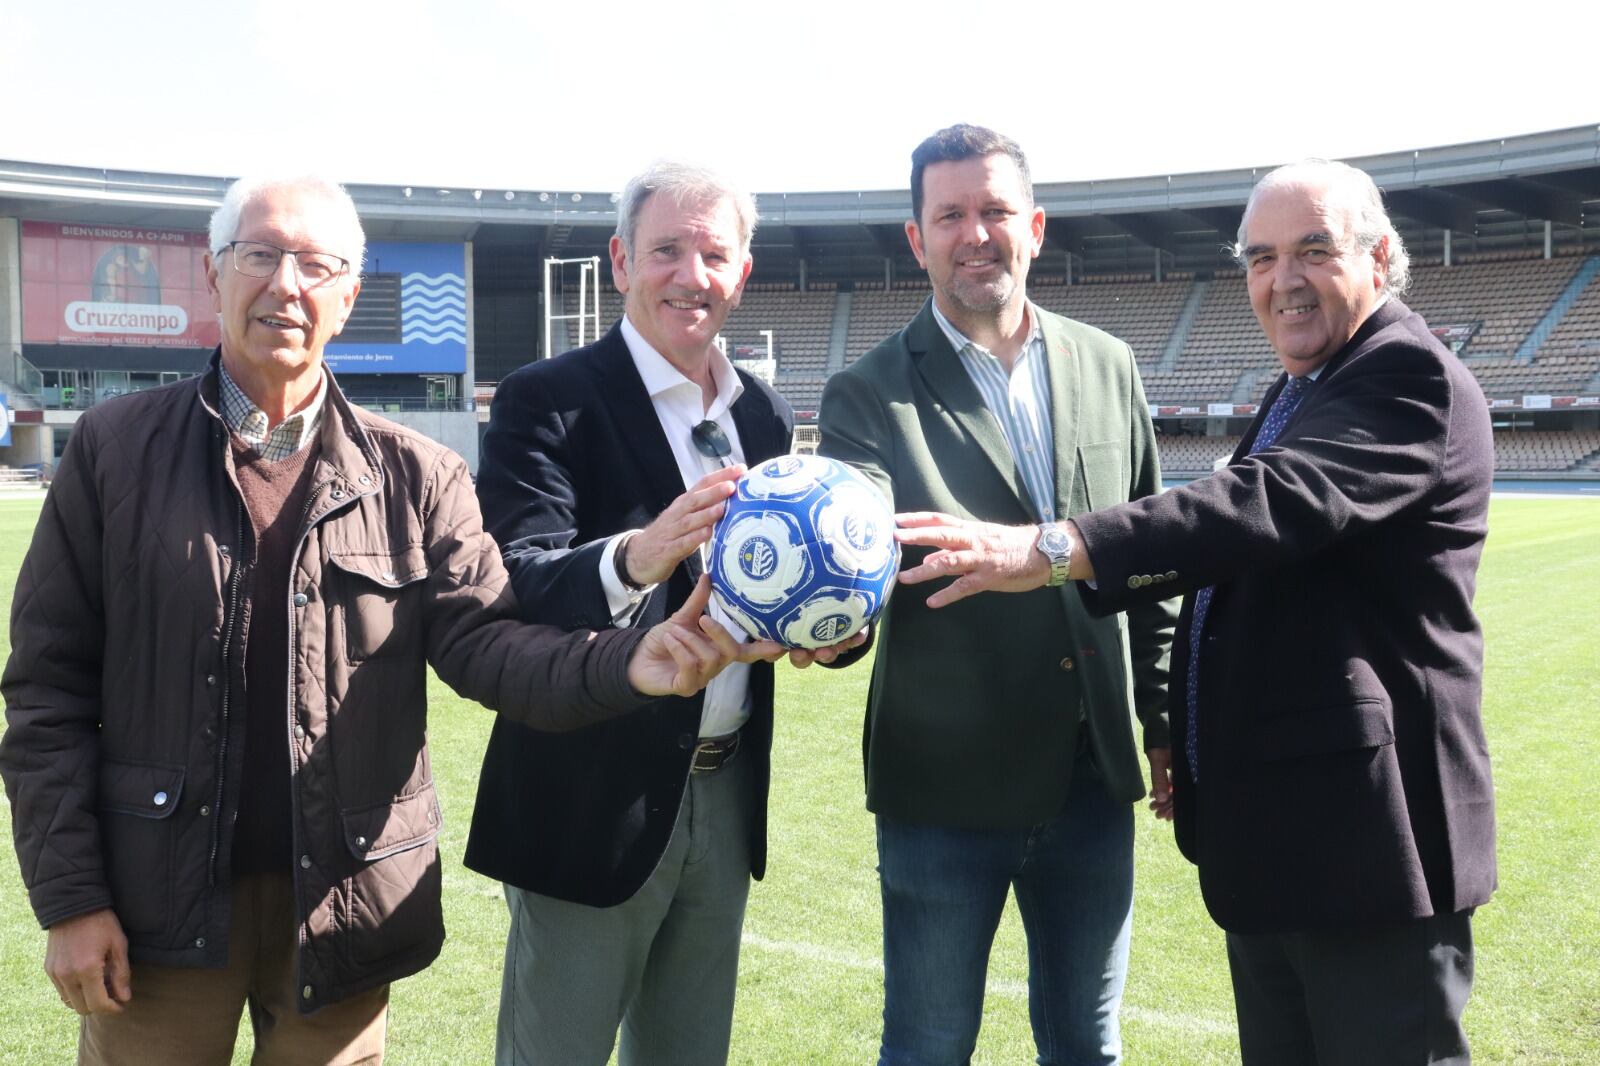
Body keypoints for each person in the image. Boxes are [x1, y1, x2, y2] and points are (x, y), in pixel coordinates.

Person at [0, 173, 767, 1066]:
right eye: (260, 255)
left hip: (341, 912)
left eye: (316, 265)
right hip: (156, 915)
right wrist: (71, 900)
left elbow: (492, 645)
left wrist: (633, 663)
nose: (287, 285)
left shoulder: (420, 474)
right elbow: (46, 694)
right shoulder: (113, 451)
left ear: (349, 296)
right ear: (213, 276)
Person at [898, 159, 1495, 1065]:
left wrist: (1052, 548)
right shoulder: (1304, 388)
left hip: (1375, 853)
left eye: (1312, 251)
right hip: (1288, 852)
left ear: (1380, 258)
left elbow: (1265, 506)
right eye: (1260, 258)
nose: (1281, 281)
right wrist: (1179, 728)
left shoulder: (1406, 374)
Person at [467, 161, 857, 1066]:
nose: (692, 274)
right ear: (620, 261)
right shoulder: (548, 398)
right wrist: (640, 555)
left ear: (743, 271)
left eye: (714, 253)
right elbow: (517, 579)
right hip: (586, 792)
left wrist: (834, 630)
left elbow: (787, 579)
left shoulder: (762, 411)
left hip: (722, 795)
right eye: (667, 250)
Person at [816, 124, 1176, 1066]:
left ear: (1037, 226)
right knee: (928, 1047)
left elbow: (1153, 566)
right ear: (917, 238)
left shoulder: (1111, 365)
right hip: (942, 789)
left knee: (1087, 1046)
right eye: (952, 216)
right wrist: (830, 630)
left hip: (1091, 782)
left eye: (996, 211)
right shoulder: (866, 392)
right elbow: (854, 567)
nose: (976, 234)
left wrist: (1168, 724)